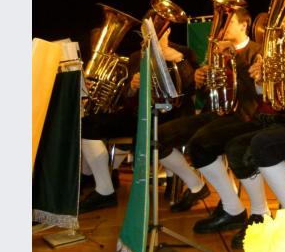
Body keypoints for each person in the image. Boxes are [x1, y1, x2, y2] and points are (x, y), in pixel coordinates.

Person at [202, 0, 285, 249]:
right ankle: (268, 214)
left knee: (259, 144)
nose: (276, 15)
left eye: (284, 9)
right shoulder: (276, 44)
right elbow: (266, 97)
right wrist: (262, 80)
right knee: (239, 145)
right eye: (274, 9)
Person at [79, 26, 208, 213]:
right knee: (88, 125)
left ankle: (193, 185)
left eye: (159, 30)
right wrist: (132, 87)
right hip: (141, 114)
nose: (152, 36)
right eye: (148, 32)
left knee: (154, 136)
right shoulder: (135, 56)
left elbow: (193, 88)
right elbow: (125, 97)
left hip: (173, 113)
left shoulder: (184, 53)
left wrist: (179, 61)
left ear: (168, 32)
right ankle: (104, 190)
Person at [157, 7, 264, 213]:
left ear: (244, 25)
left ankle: (232, 207)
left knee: (201, 143)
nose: (223, 28)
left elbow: (255, 93)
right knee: (158, 137)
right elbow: (208, 95)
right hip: (216, 112)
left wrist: (236, 60)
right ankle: (198, 186)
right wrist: (202, 79)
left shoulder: (256, 51)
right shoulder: (218, 53)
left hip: (245, 115)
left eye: (229, 22)